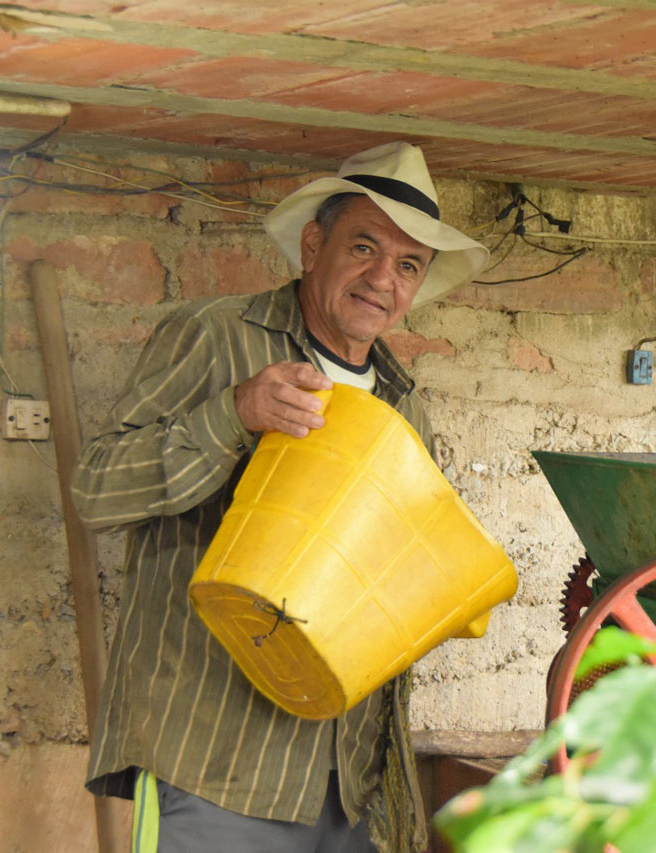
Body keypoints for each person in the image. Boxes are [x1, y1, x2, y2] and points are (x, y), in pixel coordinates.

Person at [72, 143, 489, 852]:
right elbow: (97, 490)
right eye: (365, 246)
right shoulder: (215, 336)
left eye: (408, 264)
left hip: (345, 777)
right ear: (312, 243)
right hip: (215, 763)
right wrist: (232, 414)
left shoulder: (403, 407)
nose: (382, 278)